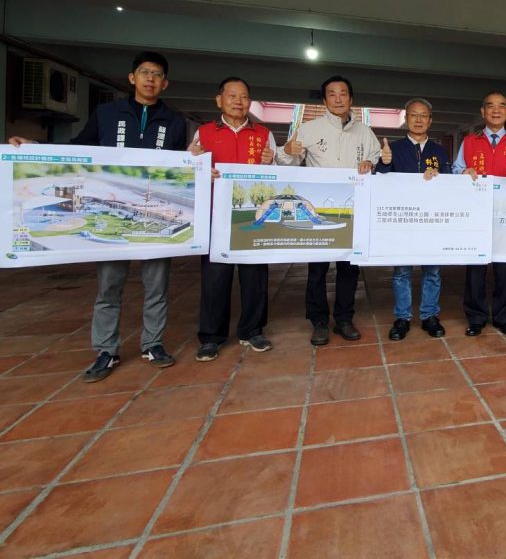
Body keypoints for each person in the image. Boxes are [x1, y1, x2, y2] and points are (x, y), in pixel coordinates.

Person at [9, 51, 188, 382]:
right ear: (132, 78)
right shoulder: (107, 114)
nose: (150, 79)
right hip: (113, 214)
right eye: (145, 72)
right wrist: (36, 146)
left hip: (154, 217)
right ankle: (106, 350)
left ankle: (153, 344)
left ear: (165, 83)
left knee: (157, 286)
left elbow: (183, 167)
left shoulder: (175, 121)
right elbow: (79, 149)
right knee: (109, 286)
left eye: (157, 74)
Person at [277, 75, 380, 345]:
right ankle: (319, 321)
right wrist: (287, 149)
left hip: (352, 210)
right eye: (332, 94)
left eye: (343, 93)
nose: (338, 99)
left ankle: (344, 319)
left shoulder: (364, 132)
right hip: (318, 210)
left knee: (349, 268)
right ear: (324, 100)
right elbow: (288, 161)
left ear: (351, 99)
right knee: (317, 270)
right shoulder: (309, 129)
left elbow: (376, 158)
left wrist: (370, 162)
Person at [188, 77, 277, 361]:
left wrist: (271, 161)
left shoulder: (264, 134)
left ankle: (252, 330)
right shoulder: (204, 133)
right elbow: (189, 171)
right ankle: (211, 337)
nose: (238, 102)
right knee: (215, 280)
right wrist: (196, 165)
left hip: (253, 218)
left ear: (250, 102)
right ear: (219, 100)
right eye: (232, 96)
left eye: (244, 96)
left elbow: (276, 175)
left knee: (255, 278)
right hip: (216, 218)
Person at [451, 91, 506, 337]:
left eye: (501, 106)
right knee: (476, 268)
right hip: (476, 214)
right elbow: (455, 170)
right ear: (483, 111)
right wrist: (463, 173)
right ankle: (476, 317)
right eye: (491, 106)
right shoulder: (469, 141)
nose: (496, 111)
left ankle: (504, 317)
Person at [375, 97, 452, 340]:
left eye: (423, 115)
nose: (418, 120)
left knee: (432, 271)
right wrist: (384, 163)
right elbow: (379, 181)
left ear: (430, 121)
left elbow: (451, 184)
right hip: (403, 221)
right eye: (413, 115)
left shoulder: (439, 151)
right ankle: (402, 317)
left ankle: (429, 315)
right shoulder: (393, 149)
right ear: (406, 119)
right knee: (402, 272)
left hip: (432, 220)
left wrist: (439, 177)